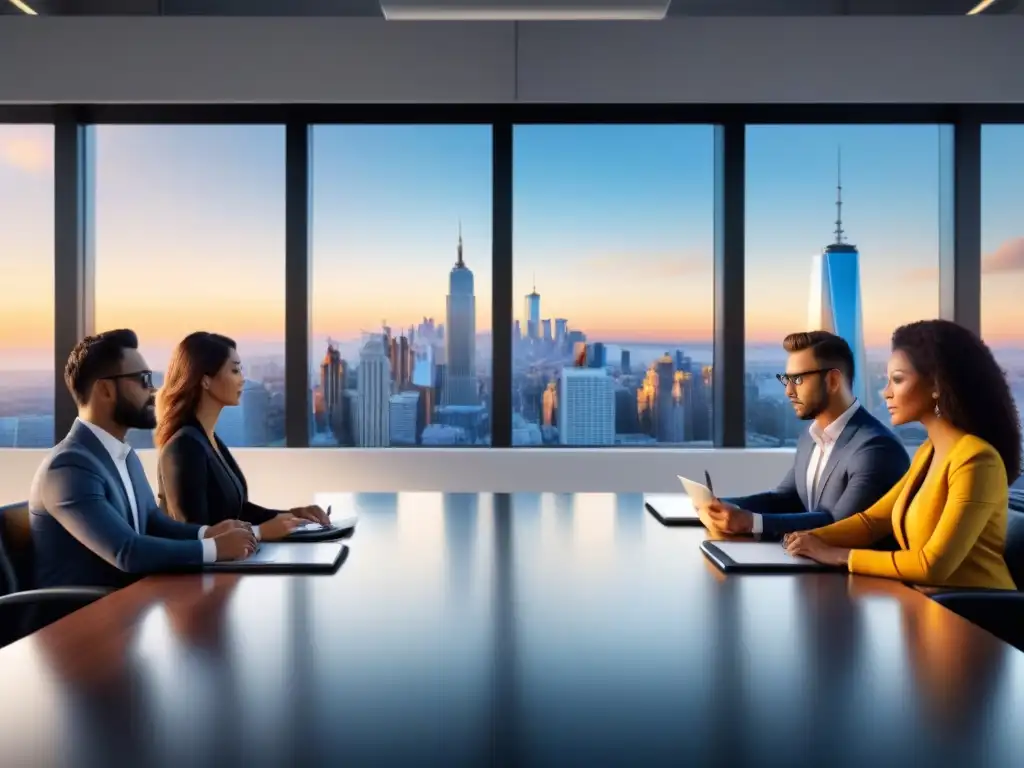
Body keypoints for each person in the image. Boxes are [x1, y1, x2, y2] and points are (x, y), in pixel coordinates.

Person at [785, 320, 1020, 590]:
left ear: (936, 385)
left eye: (897, 380)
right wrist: (804, 539)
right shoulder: (928, 453)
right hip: (926, 607)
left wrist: (838, 555)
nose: (886, 392)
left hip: (977, 617)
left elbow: (932, 566)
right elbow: (873, 522)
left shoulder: (977, 461)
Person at [29, 330, 258, 590]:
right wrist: (213, 548)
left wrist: (207, 533)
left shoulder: (122, 455)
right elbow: (127, 551)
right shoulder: (69, 467)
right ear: (105, 390)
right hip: (82, 620)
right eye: (143, 380)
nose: (153, 390)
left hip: (129, 605)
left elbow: (152, 521)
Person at [702, 330, 909, 537]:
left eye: (798, 380)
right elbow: (786, 499)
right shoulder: (811, 438)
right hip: (809, 562)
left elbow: (838, 526)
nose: (788, 391)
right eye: (787, 380)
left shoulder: (877, 449)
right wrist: (721, 505)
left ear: (833, 381)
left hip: (849, 568)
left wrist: (752, 523)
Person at [154, 332, 329, 540]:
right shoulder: (184, 447)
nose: (242, 379)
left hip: (227, 564)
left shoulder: (208, 439)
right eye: (235, 370)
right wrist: (260, 533)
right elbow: (194, 534)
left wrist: (293, 516)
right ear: (205, 380)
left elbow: (238, 511)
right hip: (200, 571)